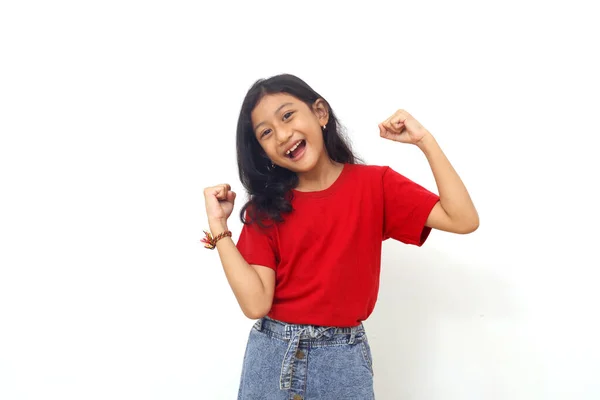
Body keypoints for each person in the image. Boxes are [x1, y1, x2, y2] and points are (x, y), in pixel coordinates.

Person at [202, 74, 479, 399]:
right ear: (262, 151)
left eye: (287, 115)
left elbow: (463, 219)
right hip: (273, 357)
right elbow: (255, 303)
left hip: (343, 361)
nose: (281, 134)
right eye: (265, 133)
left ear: (320, 113)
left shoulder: (375, 185)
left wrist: (424, 141)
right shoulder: (266, 210)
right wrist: (219, 227)